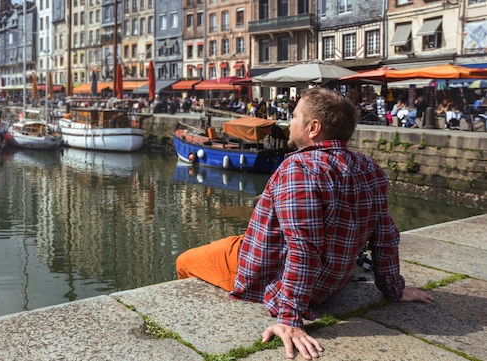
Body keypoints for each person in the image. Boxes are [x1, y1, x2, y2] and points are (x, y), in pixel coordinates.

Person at [176, 87, 434, 360]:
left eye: (295, 116)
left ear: (313, 127)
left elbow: (304, 248)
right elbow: (385, 236)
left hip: (275, 277)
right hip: (333, 281)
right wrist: (393, 287)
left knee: (185, 260)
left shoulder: (299, 168)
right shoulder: (369, 166)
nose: (289, 122)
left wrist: (289, 318)